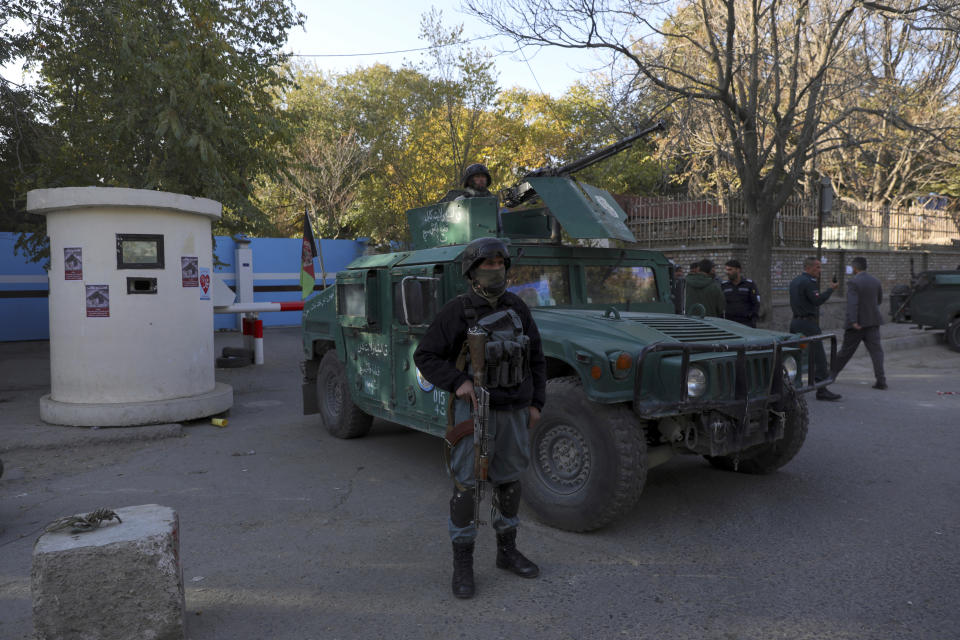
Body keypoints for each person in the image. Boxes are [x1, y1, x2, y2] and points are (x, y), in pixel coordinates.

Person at [413, 236, 546, 599]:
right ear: (472, 271)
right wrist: (458, 382)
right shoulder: (458, 311)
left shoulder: (518, 307)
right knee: (467, 489)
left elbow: (536, 358)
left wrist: (537, 404)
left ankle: (507, 552)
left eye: (500, 264)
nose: (495, 270)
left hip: (515, 412)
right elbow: (425, 356)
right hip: (472, 414)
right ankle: (463, 565)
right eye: (487, 264)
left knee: (509, 483)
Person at [789, 257, 841, 401]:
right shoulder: (809, 282)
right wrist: (831, 289)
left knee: (794, 355)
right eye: (817, 267)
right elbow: (817, 300)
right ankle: (821, 389)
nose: (820, 270)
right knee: (819, 357)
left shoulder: (795, 281)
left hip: (795, 322)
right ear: (809, 268)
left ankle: (793, 385)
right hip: (808, 324)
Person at [832, 257, 886, 389]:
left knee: (845, 352)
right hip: (872, 322)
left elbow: (852, 304)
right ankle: (881, 380)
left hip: (856, 325)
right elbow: (879, 301)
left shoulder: (853, 282)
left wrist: (854, 321)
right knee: (876, 352)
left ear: (855, 268)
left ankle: (830, 375)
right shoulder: (876, 281)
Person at [721, 259, 760, 327]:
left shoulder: (749, 284)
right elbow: (721, 304)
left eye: (730, 270)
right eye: (727, 270)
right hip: (730, 323)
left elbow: (756, 303)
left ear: (738, 270)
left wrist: (753, 318)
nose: (727, 272)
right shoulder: (724, 286)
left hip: (747, 323)